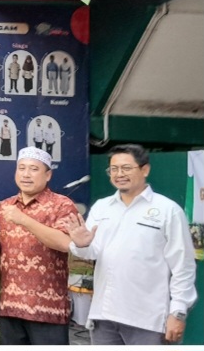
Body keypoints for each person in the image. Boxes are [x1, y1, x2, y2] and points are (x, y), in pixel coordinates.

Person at [64, 144, 196, 345]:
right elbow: (91, 252)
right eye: (114, 169)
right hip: (104, 315)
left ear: (145, 170)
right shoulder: (102, 207)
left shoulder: (167, 210)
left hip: (148, 319)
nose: (119, 174)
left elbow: (183, 266)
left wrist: (178, 311)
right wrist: (81, 245)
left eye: (126, 168)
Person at [0, 147, 77, 345]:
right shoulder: (5, 207)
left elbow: (64, 243)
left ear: (48, 175)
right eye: (21, 168)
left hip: (48, 310)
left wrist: (24, 220)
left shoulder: (62, 205)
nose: (26, 174)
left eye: (34, 169)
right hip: (10, 308)